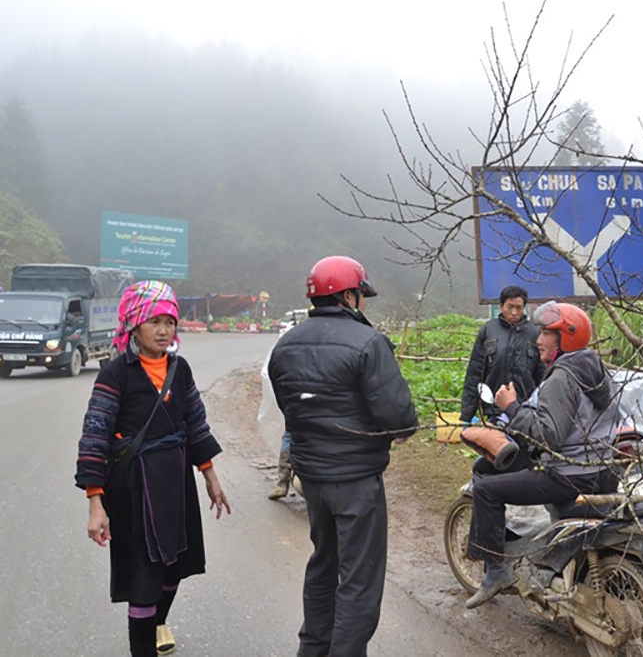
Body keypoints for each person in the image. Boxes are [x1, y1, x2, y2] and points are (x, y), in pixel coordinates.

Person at [268, 255, 419, 657]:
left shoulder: (284, 345)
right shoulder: (367, 342)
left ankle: (312, 649)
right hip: (356, 481)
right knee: (359, 580)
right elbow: (399, 417)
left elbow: (289, 409)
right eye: (361, 295)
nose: (363, 303)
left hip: (312, 478)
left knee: (322, 563)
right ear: (349, 296)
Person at [75, 280, 231, 657]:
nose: (164, 330)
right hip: (134, 486)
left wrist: (210, 475)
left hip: (175, 481)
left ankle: (159, 621)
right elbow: (94, 436)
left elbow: (195, 422)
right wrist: (96, 503)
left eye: (170, 322)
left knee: (174, 569)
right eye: (154, 322)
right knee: (145, 575)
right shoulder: (116, 373)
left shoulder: (181, 369)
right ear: (134, 324)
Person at [465, 300, 619, 609]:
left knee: (485, 490)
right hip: (604, 472)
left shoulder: (561, 377)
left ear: (566, 337)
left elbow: (549, 436)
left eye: (547, 333)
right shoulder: (597, 369)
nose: (538, 340)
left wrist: (511, 407)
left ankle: (496, 572)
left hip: (570, 476)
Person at [459, 285, 546, 424]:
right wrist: (466, 416)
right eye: (509, 307)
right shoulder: (488, 330)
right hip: (494, 408)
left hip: (526, 408)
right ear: (501, 306)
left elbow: (542, 374)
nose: (514, 312)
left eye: (518, 307)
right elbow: (475, 373)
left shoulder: (534, 333)